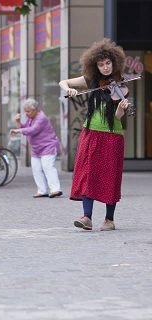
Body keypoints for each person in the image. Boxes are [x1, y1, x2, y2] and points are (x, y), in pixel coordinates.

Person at [59, 38, 130, 231]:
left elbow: (117, 117)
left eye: (108, 63)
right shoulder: (90, 80)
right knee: (87, 173)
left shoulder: (120, 84)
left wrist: (122, 108)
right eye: (101, 64)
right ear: (95, 65)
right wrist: (69, 90)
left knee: (110, 175)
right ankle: (86, 217)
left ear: (114, 63)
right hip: (90, 132)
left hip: (112, 135)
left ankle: (109, 219)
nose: (105, 68)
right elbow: (62, 81)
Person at [10, 99, 62, 198]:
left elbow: (32, 130)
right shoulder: (30, 118)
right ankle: (42, 191)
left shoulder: (41, 118)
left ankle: (56, 189)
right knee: (36, 169)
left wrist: (18, 131)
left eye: (28, 111)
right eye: (25, 111)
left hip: (48, 146)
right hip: (36, 148)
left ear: (35, 110)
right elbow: (24, 126)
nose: (26, 113)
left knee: (48, 167)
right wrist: (18, 122)